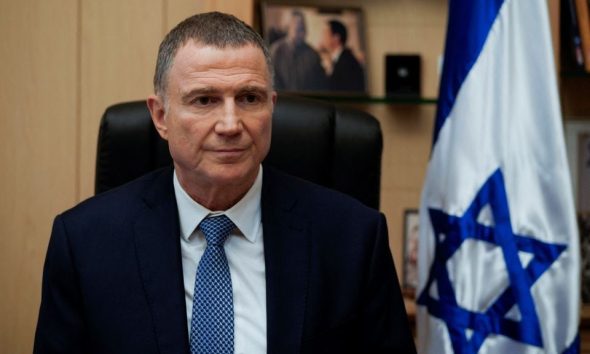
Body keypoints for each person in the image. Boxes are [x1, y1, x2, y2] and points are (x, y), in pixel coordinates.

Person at [34, 12, 416, 354]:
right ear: (161, 116)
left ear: (272, 108)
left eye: (249, 98)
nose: (231, 124)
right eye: (204, 101)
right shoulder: (84, 243)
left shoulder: (353, 239)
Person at [270, 10, 327, 91]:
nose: (300, 31)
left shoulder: (312, 54)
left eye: (302, 28)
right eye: (296, 27)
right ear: (288, 27)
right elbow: (272, 80)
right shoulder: (276, 51)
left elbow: (319, 82)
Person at [320, 19, 366, 93]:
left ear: (336, 38)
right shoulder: (335, 60)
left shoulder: (348, 62)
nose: (322, 38)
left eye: (325, 34)